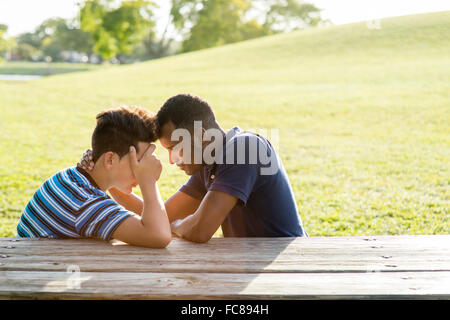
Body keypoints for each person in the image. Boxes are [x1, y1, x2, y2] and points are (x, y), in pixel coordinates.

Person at [80, 94, 307, 243]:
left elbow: (200, 230)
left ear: (200, 135)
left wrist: (177, 225)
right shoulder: (208, 166)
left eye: (176, 148)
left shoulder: (244, 148)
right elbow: (160, 217)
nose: (172, 160)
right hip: (249, 265)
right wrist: (109, 178)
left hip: (288, 266)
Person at [17, 106, 171, 248]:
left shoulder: (74, 178)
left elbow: (149, 220)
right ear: (110, 159)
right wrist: (148, 181)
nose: (141, 170)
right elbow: (159, 235)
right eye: (138, 163)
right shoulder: (86, 204)